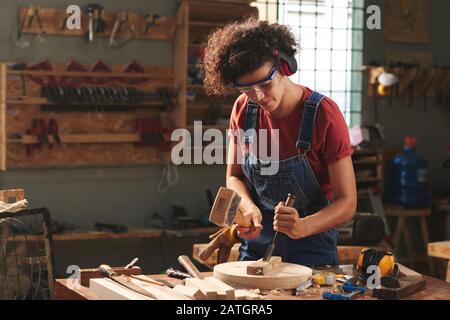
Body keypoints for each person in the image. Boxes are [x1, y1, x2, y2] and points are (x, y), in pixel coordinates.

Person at [202, 17, 357, 267]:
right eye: (248, 90)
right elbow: (235, 177)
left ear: (284, 67)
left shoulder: (324, 114)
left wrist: (303, 226)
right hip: (256, 244)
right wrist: (247, 209)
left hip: (312, 246)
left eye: (265, 83)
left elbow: (347, 202)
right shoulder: (243, 109)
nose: (259, 97)